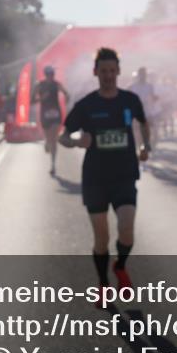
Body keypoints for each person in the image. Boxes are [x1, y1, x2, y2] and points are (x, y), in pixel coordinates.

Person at [59, 47, 150, 303]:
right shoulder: (86, 105)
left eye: (112, 71)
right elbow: (62, 136)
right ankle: (102, 284)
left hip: (124, 176)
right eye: (103, 71)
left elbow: (143, 123)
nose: (108, 75)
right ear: (95, 73)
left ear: (119, 71)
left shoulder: (130, 100)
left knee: (127, 229)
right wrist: (77, 140)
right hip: (95, 179)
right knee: (102, 238)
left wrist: (146, 146)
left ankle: (120, 265)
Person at [32, 65, 70, 176]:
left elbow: (66, 93)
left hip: (56, 114)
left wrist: (67, 98)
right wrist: (41, 98)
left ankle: (53, 165)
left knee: (54, 139)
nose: (50, 77)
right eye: (48, 75)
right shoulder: (39, 85)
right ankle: (46, 142)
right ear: (45, 75)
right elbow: (32, 99)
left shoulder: (56, 84)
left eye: (52, 75)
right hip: (45, 114)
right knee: (49, 139)